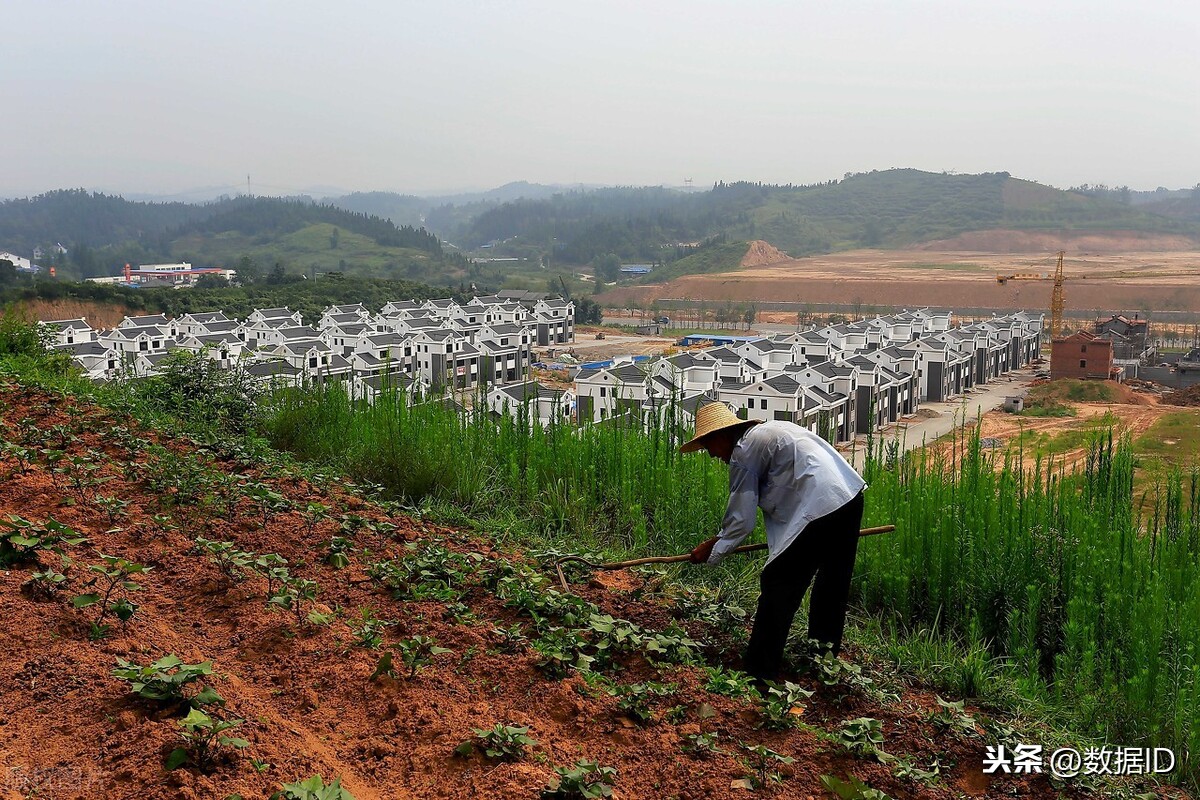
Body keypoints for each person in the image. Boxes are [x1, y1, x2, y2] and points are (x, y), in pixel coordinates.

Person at [680, 401, 866, 684]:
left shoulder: (743, 451)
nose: (712, 455)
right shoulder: (773, 430)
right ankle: (823, 661)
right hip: (848, 497)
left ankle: (759, 674)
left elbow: (741, 519)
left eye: (708, 447)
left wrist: (715, 549)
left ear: (721, 435)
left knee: (778, 584)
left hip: (818, 507)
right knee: (832, 585)